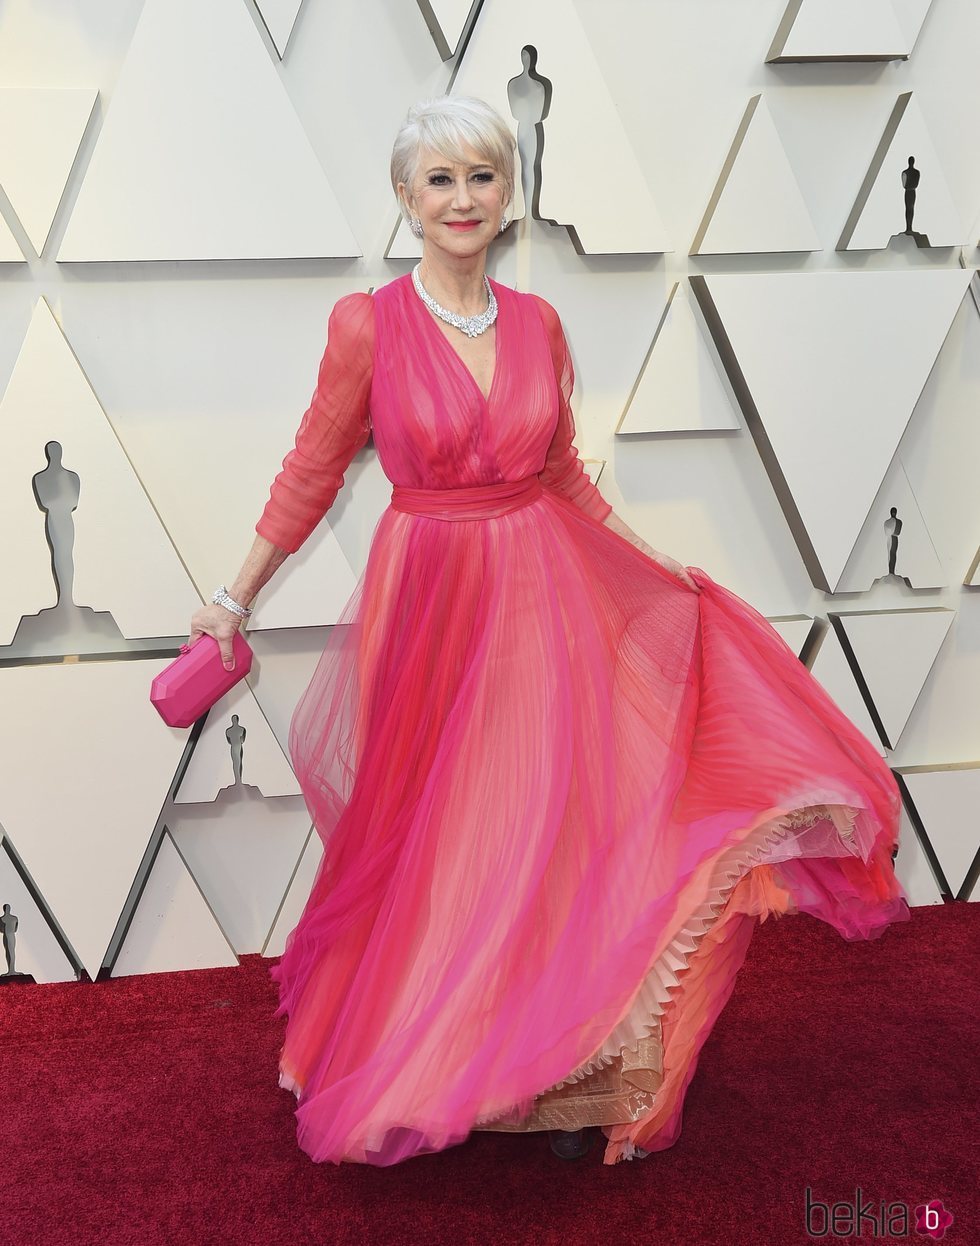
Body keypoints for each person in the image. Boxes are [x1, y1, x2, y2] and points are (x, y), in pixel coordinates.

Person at [188, 96, 911, 1168]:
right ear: (404, 199)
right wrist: (233, 597)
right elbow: (310, 466)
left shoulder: (538, 326)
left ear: (507, 192)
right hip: (428, 602)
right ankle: (418, 1045)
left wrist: (656, 564)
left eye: (480, 176)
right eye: (438, 180)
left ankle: (544, 1054)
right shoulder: (366, 326)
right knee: (437, 839)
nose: (461, 198)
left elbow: (560, 472)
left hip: (539, 599)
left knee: (533, 825)